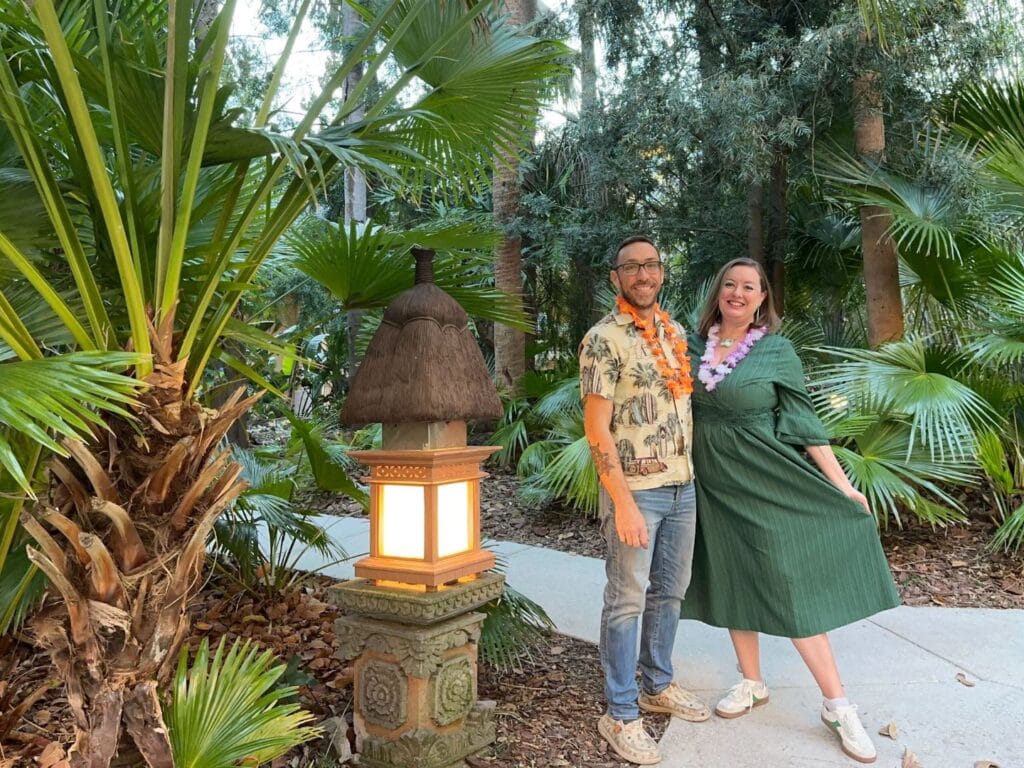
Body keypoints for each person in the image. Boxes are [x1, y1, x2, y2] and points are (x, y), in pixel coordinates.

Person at [681, 257, 901, 764]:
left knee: (787, 585)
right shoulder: (690, 347)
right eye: (730, 284)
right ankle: (752, 682)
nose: (737, 293)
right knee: (734, 576)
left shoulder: (776, 350)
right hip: (712, 484)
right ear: (718, 292)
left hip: (767, 479)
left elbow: (804, 422)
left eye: (749, 287)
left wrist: (842, 485)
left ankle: (837, 705)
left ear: (762, 299)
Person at [580, 235, 710, 766]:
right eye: (631, 267)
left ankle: (657, 684)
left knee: (670, 592)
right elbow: (596, 429)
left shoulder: (674, 333)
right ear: (616, 278)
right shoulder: (602, 339)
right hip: (636, 492)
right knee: (626, 599)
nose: (643, 274)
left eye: (651, 265)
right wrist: (624, 503)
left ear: (661, 272)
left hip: (683, 486)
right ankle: (620, 712)